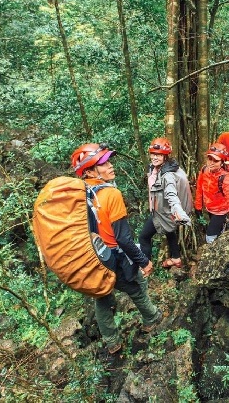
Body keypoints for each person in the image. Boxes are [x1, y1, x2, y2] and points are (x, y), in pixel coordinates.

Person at [70, 143, 161, 356]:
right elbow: (123, 239)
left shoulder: (78, 196)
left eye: (109, 161)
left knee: (102, 297)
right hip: (114, 256)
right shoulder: (111, 195)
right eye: (103, 163)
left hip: (91, 257)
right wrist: (143, 261)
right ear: (90, 171)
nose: (110, 166)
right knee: (137, 286)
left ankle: (112, 342)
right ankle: (152, 318)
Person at [138, 138, 192, 270]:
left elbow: (171, 195)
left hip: (166, 213)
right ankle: (176, 258)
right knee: (170, 231)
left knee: (144, 237)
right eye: (153, 154)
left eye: (159, 155)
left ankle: (146, 267)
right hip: (164, 212)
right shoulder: (160, 168)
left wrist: (178, 211)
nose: (155, 157)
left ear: (165, 156)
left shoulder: (167, 175)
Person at [194, 143, 229, 243]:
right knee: (217, 229)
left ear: (222, 162)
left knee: (209, 237)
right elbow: (199, 189)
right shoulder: (204, 170)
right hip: (209, 208)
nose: (211, 162)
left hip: (221, 210)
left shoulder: (225, 177)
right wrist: (198, 207)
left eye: (215, 160)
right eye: (209, 158)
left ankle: (214, 253)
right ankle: (221, 232)